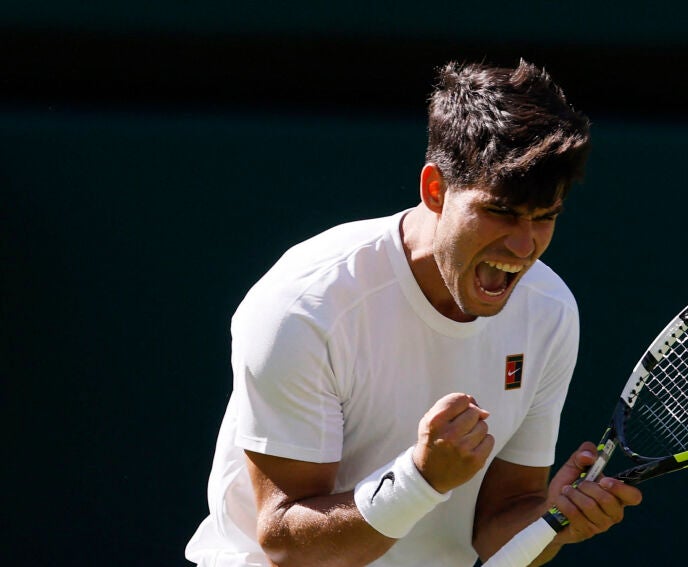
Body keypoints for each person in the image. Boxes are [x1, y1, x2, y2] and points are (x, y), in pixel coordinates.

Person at [185, 59, 642, 567]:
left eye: (545, 217)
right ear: (435, 190)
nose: (523, 246)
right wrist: (419, 481)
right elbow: (286, 543)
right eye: (500, 212)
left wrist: (551, 521)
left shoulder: (549, 311)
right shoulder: (306, 304)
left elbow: (497, 525)